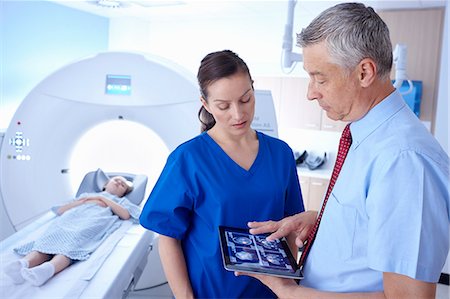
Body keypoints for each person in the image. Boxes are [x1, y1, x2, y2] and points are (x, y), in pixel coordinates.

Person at [236, 2, 450, 298]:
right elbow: (369, 218)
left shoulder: (405, 160)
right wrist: (324, 222)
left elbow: (408, 297)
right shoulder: (363, 133)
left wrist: (289, 293)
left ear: (364, 72)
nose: (311, 93)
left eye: (320, 78)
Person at [139, 49, 304, 298]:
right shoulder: (189, 158)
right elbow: (168, 237)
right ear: (205, 104)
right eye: (223, 106)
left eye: (246, 99)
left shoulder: (280, 154)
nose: (238, 114)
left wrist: (290, 289)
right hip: (212, 292)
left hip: (270, 292)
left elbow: (289, 227)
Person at [3, 176, 141, 286]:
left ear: (124, 193)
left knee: (73, 242)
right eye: (116, 180)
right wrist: (86, 201)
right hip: (69, 219)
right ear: (105, 184)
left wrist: (103, 199)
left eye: (123, 185)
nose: (118, 183)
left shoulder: (120, 202)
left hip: (92, 222)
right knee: (49, 239)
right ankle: (23, 264)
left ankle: (47, 270)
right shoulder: (86, 195)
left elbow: (126, 215)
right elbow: (61, 210)